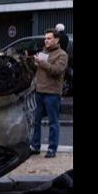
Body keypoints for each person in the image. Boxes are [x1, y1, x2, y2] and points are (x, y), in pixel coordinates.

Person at [30, 29, 68, 159]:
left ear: (56, 40)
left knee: (53, 122)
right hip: (39, 91)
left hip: (52, 93)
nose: (46, 40)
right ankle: (35, 147)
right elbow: (39, 71)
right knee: (36, 121)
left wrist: (43, 63)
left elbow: (57, 70)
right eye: (45, 38)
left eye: (49, 38)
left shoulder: (62, 54)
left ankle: (52, 149)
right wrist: (35, 63)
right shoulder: (43, 52)